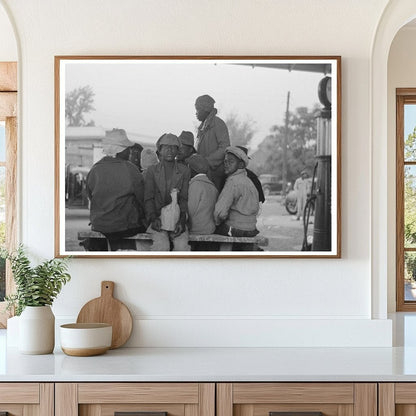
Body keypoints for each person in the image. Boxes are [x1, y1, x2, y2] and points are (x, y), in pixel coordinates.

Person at [85, 128, 146, 251]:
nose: (129, 152)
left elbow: (90, 195)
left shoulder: (95, 169)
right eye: (127, 148)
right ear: (119, 150)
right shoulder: (131, 169)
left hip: (99, 225)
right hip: (124, 227)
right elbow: (142, 198)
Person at [144, 133, 191, 251]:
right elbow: (148, 198)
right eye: (165, 147)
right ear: (159, 150)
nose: (169, 150)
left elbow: (184, 199)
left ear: (177, 151)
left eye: (173, 147)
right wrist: (153, 218)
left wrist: (182, 221)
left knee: (182, 247)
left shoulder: (185, 171)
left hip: (176, 220)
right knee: (161, 246)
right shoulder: (152, 171)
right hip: (158, 219)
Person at [214, 146, 260, 250]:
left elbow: (220, 212)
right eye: (225, 161)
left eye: (230, 161)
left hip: (236, 229)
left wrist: (217, 223)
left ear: (241, 164)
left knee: (212, 231)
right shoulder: (249, 182)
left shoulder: (232, 181)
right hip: (251, 229)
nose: (226, 164)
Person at [194, 94, 230, 190]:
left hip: (215, 172)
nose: (196, 113)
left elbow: (225, 148)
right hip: (203, 171)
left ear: (205, 109)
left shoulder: (218, 124)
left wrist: (207, 161)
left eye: (197, 109)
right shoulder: (203, 126)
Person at [187, 154, 218, 237]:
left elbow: (190, 210)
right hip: (210, 229)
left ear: (191, 169)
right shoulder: (212, 186)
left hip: (196, 229)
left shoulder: (196, 184)